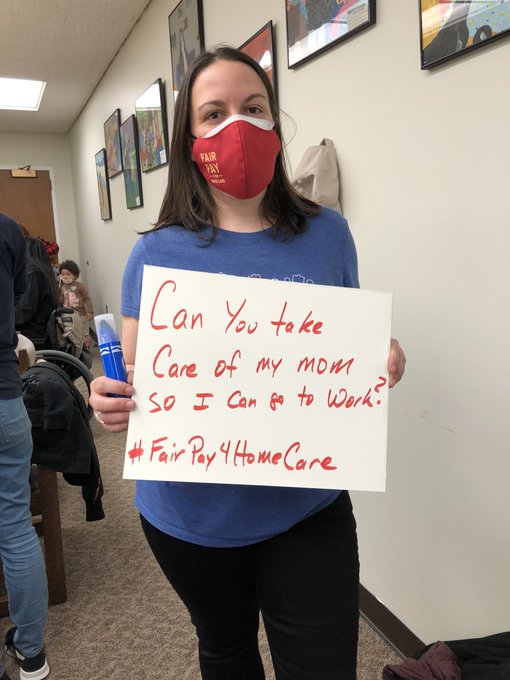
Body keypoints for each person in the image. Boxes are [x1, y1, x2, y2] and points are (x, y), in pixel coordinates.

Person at [90, 46, 406, 680]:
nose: (238, 125)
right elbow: (131, 375)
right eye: (214, 113)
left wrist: (380, 359)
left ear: (275, 121)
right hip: (191, 514)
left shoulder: (328, 234)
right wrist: (112, 401)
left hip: (307, 505)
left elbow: (348, 345)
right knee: (226, 649)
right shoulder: (154, 254)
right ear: (189, 138)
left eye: (254, 107)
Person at [0, 213, 50, 680]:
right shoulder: (9, 229)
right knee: (15, 528)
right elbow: (15, 301)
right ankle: (31, 655)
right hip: (5, 404)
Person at [14, 236, 60, 351]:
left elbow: (23, 312)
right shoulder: (45, 272)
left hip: (33, 338)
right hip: (44, 335)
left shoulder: (33, 274)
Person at [58, 259, 94, 349]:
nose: (65, 276)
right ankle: (76, 347)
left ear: (75, 275)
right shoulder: (63, 287)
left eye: (68, 274)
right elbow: (62, 299)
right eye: (63, 274)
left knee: (84, 331)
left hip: (81, 314)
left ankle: (86, 347)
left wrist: (90, 311)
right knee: (72, 332)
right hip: (68, 314)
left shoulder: (80, 286)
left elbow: (87, 298)